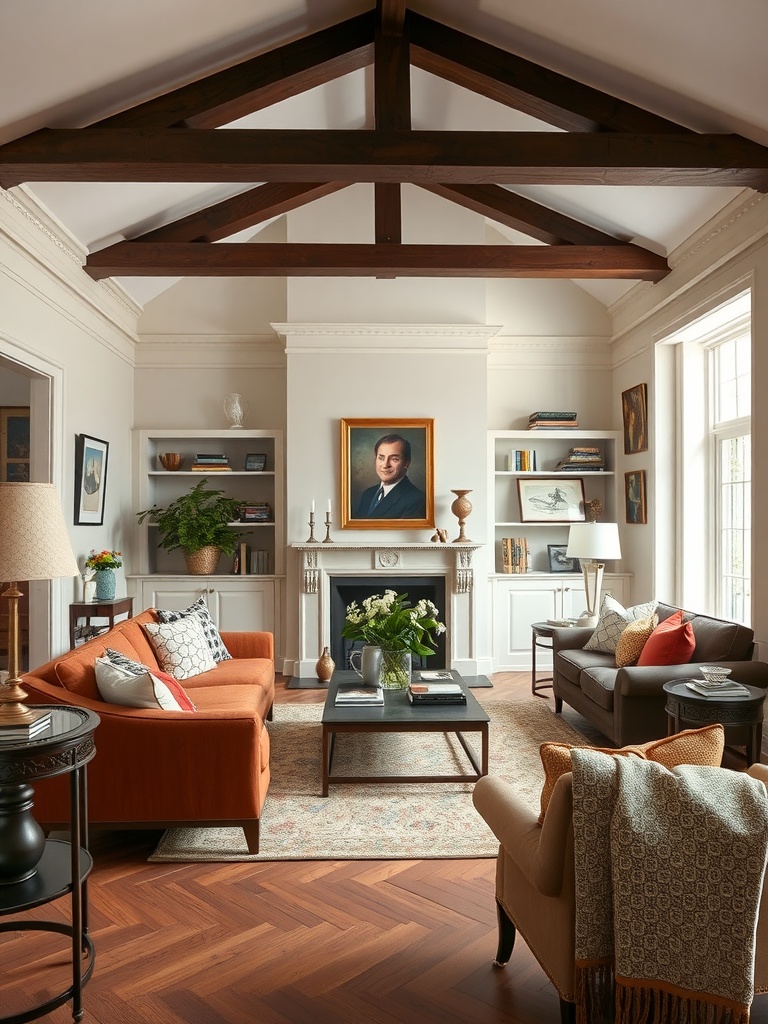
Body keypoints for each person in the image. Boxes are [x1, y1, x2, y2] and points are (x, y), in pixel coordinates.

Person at [355, 433, 427, 519]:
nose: (385, 465)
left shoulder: (417, 500)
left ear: (406, 462)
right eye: (381, 458)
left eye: (394, 459)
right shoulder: (368, 494)